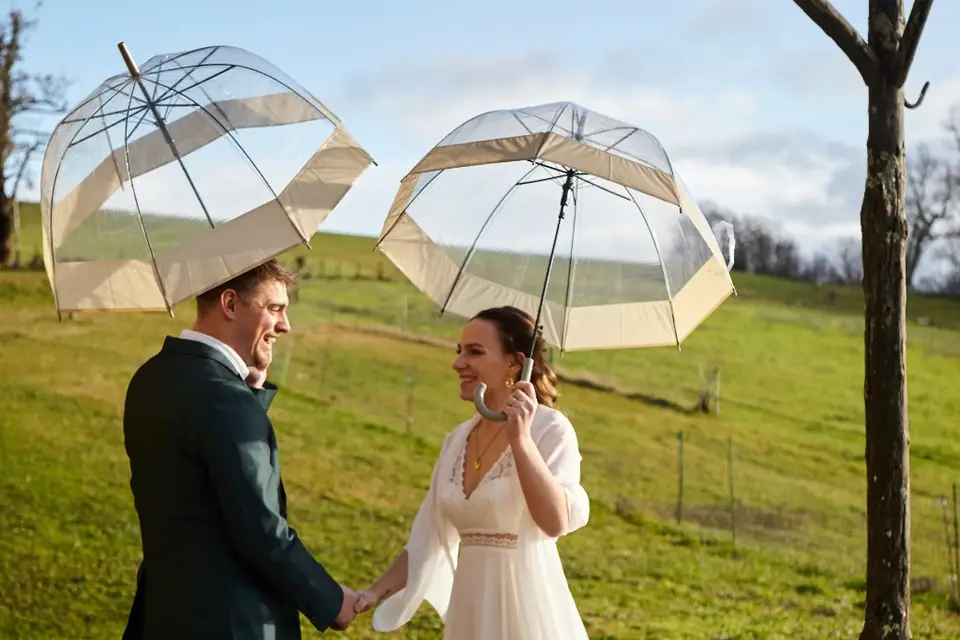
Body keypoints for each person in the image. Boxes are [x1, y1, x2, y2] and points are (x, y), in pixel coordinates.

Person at [121, 259, 359, 639]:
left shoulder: (152, 376)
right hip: (231, 621)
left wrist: (247, 389)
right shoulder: (224, 399)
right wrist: (331, 601)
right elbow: (261, 531)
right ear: (230, 304)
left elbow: (199, 471)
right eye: (275, 308)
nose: (285, 325)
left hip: (163, 612)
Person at [353, 305, 591, 639]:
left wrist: (520, 440)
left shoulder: (551, 429)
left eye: (475, 352)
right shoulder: (457, 439)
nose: (458, 363)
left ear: (515, 363)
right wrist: (373, 593)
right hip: (469, 615)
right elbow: (427, 538)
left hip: (528, 611)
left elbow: (554, 522)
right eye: (459, 351)